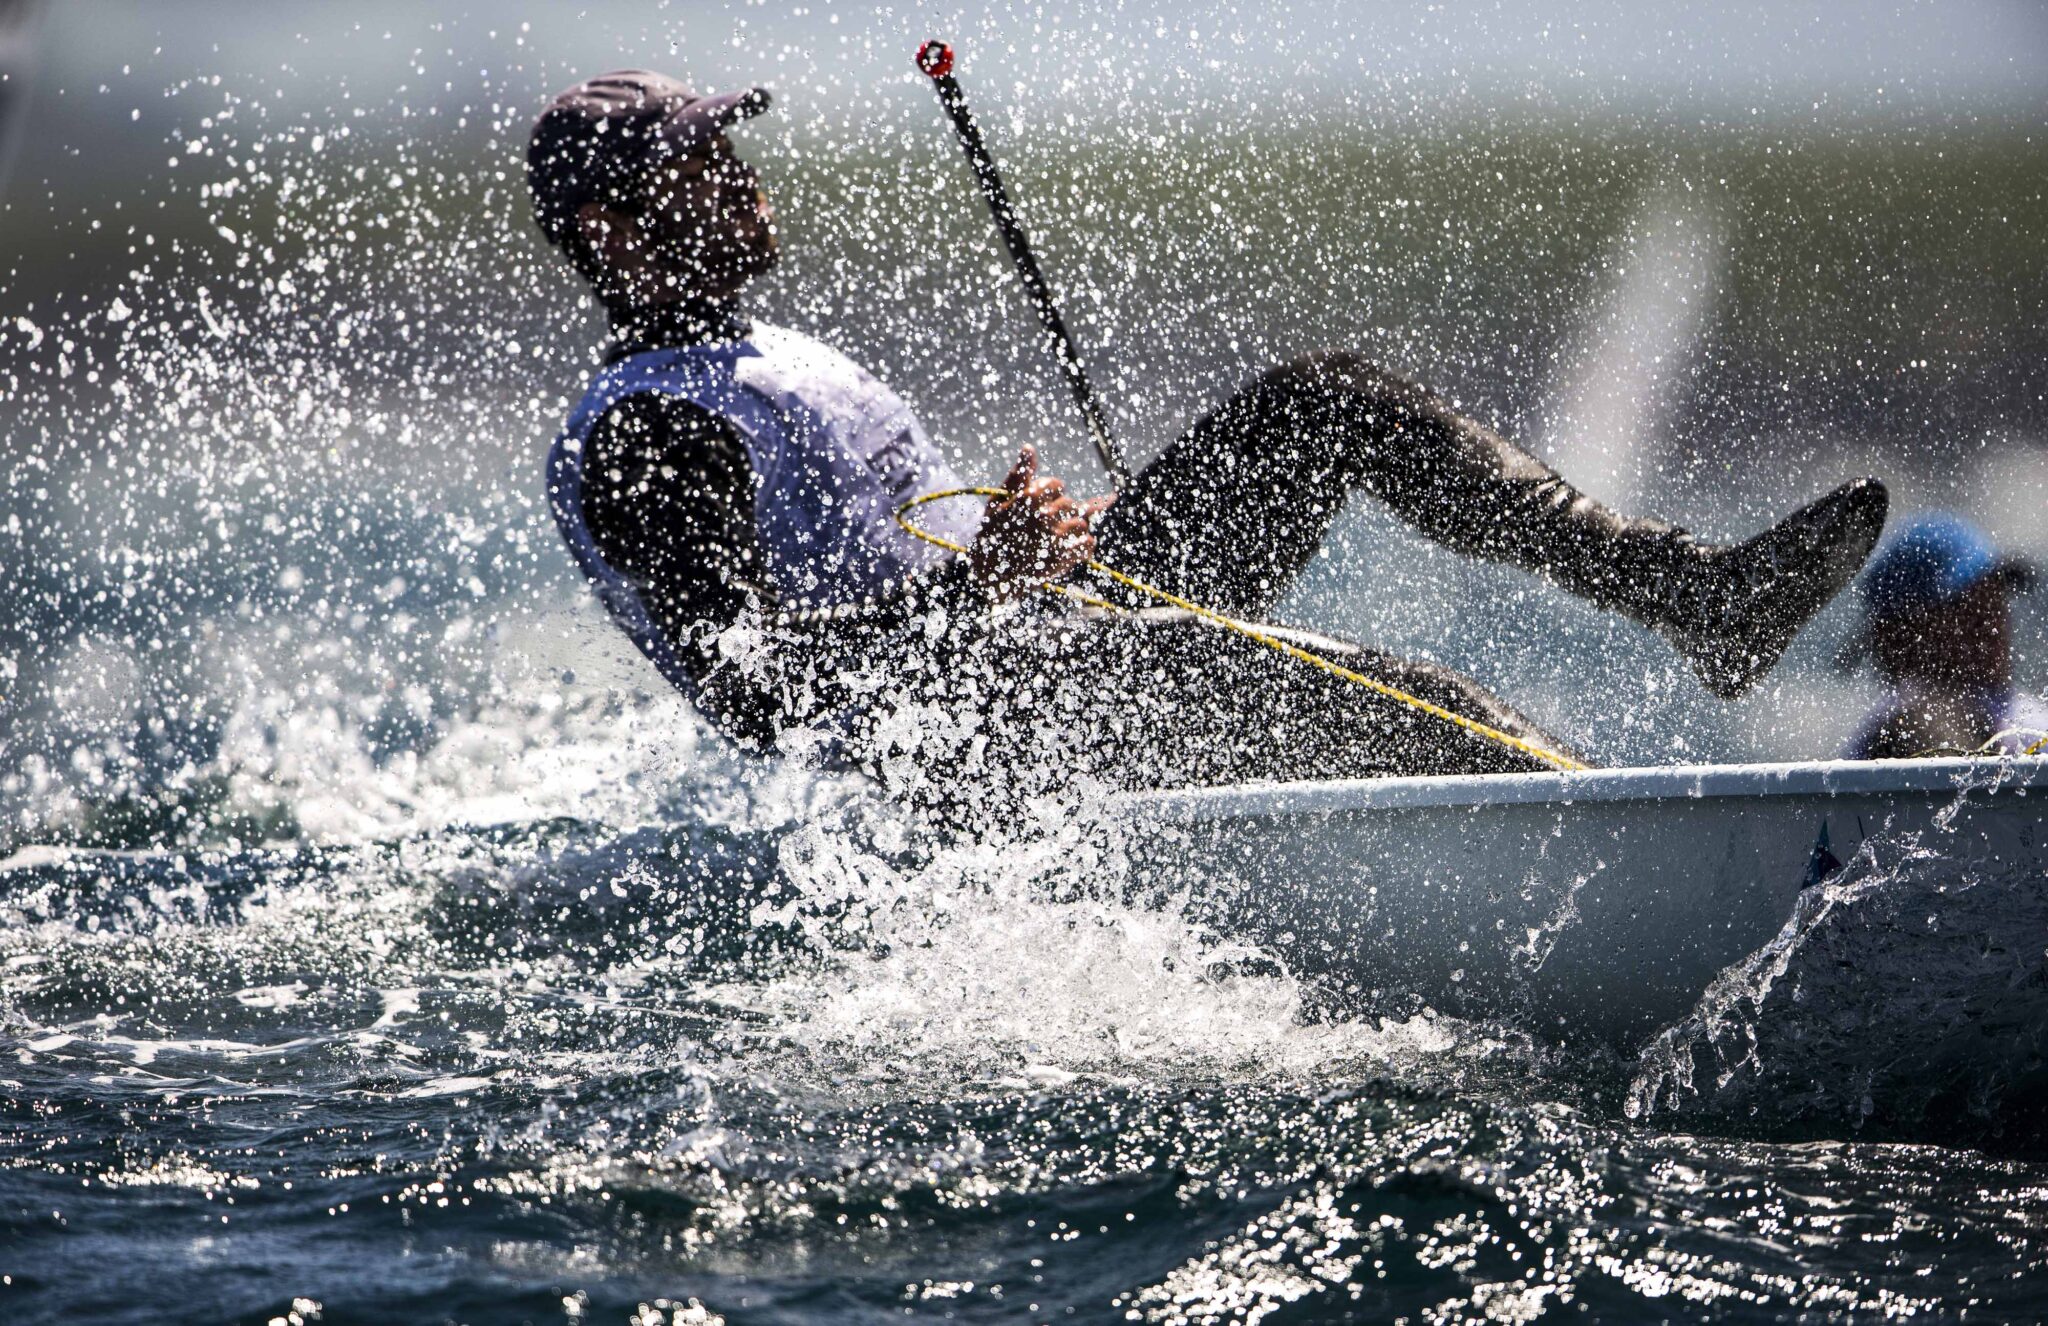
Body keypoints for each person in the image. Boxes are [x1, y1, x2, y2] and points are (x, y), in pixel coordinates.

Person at [527, 70, 1890, 802]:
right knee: (1415, 699)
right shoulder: (650, 433)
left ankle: (1697, 598)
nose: (742, 180)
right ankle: (1649, 849)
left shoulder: (743, 353)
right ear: (618, 232)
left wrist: (1019, 561)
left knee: (1326, 398)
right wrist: (981, 589)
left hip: (1036, 643)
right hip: (970, 743)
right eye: (699, 166)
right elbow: (753, 695)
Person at [1841, 513, 2042, 759]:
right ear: (1905, 633)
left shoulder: (2020, 711)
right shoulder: (1899, 730)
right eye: (1967, 607)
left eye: (1995, 600)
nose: (1992, 622)